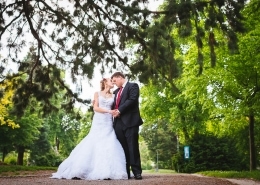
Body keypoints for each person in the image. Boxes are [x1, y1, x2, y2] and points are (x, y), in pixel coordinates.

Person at [51, 78, 128, 180]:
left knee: (108, 142)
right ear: (105, 82)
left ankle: (106, 170)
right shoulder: (97, 94)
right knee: (93, 141)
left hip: (108, 122)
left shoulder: (114, 95)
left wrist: (115, 112)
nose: (113, 82)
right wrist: (109, 111)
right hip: (99, 120)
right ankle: (80, 169)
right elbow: (95, 108)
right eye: (111, 81)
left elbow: (116, 107)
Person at [111, 72, 143, 180]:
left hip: (131, 122)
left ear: (120, 77)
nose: (114, 84)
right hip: (118, 124)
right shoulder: (115, 92)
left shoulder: (133, 86)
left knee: (132, 147)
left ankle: (137, 172)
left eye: (115, 81)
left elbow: (132, 100)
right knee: (122, 149)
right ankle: (126, 172)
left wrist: (119, 110)